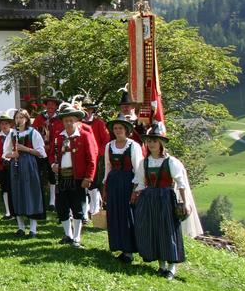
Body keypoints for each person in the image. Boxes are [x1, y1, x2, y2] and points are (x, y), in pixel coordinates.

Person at [133, 124, 194, 279]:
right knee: (154, 229)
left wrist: (185, 203)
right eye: (149, 141)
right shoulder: (144, 163)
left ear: (161, 143)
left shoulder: (171, 162)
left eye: (154, 140)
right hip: (149, 199)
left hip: (166, 198)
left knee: (168, 230)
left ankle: (172, 268)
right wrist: (134, 195)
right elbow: (140, 182)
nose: (151, 144)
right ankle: (161, 266)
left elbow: (181, 184)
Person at [51, 101, 97, 247]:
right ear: (63, 122)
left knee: (77, 206)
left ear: (77, 121)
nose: (69, 123)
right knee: (62, 206)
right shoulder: (59, 136)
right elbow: (51, 153)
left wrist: (89, 177)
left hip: (78, 177)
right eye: (66, 120)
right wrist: (53, 164)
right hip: (62, 176)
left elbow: (92, 158)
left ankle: (76, 236)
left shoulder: (84, 136)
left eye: (72, 120)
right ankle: (68, 235)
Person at [102, 115, 143, 263]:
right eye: (115, 128)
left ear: (126, 130)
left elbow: (138, 169)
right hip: (113, 183)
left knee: (127, 215)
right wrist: (105, 187)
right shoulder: (109, 146)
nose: (118, 130)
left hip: (127, 183)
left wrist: (135, 189)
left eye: (120, 128)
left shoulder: (133, 146)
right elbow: (108, 167)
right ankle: (118, 246)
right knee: (114, 215)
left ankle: (129, 251)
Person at [6, 108, 46, 237]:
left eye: (21, 117)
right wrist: (14, 154)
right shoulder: (12, 134)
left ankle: (33, 229)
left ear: (27, 119)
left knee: (31, 193)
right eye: (17, 118)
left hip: (29, 165)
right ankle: (21, 227)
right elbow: (4, 153)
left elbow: (41, 152)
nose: (19, 120)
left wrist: (26, 149)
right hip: (16, 166)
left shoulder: (33, 133)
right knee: (17, 193)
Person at [33, 92, 63, 210]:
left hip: (53, 151)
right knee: (38, 174)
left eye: (53, 105)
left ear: (56, 106)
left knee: (52, 175)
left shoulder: (59, 119)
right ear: (45, 106)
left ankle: (52, 201)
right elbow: (34, 132)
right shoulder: (40, 118)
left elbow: (59, 134)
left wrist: (51, 146)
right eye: (48, 104)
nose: (50, 106)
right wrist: (40, 146)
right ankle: (39, 199)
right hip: (40, 151)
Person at [82, 100, 111, 221]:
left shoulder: (99, 123)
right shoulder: (79, 123)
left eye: (89, 109)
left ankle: (95, 209)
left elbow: (106, 139)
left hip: (97, 158)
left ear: (92, 110)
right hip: (82, 157)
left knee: (95, 183)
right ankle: (85, 210)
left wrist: (98, 153)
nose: (87, 112)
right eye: (85, 110)